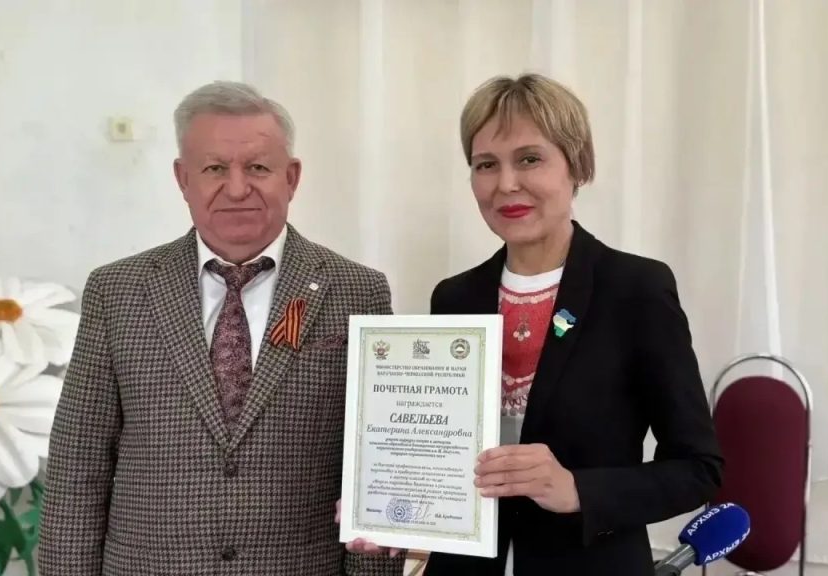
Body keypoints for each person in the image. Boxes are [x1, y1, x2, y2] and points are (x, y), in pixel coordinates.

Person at [38, 81, 405, 576]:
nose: (236, 189)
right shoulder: (117, 291)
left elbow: (376, 465)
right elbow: (77, 463)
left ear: (292, 177)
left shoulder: (357, 291)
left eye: (258, 168)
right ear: (182, 178)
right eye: (214, 169)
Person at [422, 74, 724, 575]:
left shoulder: (636, 289)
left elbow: (698, 469)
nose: (506, 184)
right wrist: (388, 510)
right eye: (486, 164)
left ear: (577, 165)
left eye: (529, 159)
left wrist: (578, 489)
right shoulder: (454, 297)